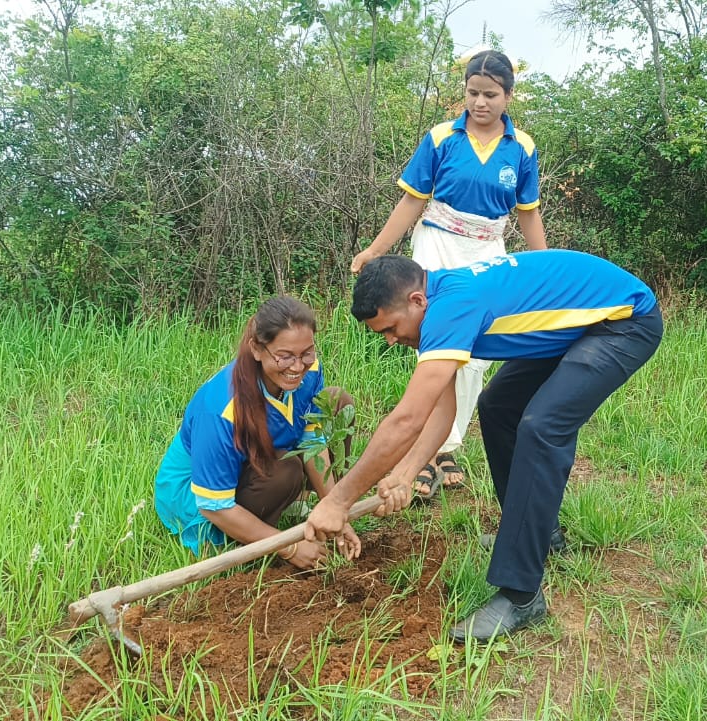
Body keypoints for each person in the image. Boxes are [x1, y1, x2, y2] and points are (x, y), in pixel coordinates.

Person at [305, 250, 662, 642]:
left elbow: (406, 420)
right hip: (580, 323)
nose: (390, 341)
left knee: (541, 427)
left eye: (390, 328)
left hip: (623, 322)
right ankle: (536, 536)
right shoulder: (435, 304)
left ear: (416, 300)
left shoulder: (450, 309)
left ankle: (522, 595)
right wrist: (405, 473)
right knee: (498, 407)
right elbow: (442, 410)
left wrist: (338, 501)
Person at [350, 49, 547, 499]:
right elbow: (412, 201)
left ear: (508, 96)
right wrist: (376, 249)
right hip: (437, 244)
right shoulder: (442, 138)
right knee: (437, 344)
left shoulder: (522, 148)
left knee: (474, 355)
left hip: (487, 250)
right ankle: (425, 450)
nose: (480, 102)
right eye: (473, 93)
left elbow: (528, 213)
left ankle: (448, 446)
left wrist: (542, 268)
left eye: (490, 94)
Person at [153, 296, 362, 569]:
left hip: (259, 461)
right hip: (198, 499)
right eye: (284, 356)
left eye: (306, 353)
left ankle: (292, 505)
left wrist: (335, 508)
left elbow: (312, 441)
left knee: (337, 402)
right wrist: (289, 547)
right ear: (257, 349)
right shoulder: (220, 410)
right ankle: (247, 539)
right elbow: (214, 506)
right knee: (285, 471)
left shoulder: (308, 371)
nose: (297, 367)